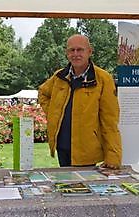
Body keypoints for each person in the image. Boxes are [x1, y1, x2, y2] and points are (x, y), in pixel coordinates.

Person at [38, 34, 122, 169]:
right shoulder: (59, 76)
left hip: (87, 151)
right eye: (72, 50)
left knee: (85, 189)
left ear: (89, 51)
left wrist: (113, 156)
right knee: (66, 187)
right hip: (62, 147)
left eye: (80, 50)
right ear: (67, 53)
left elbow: (110, 121)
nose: (75, 54)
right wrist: (54, 114)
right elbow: (43, 93)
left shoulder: (103, 79)